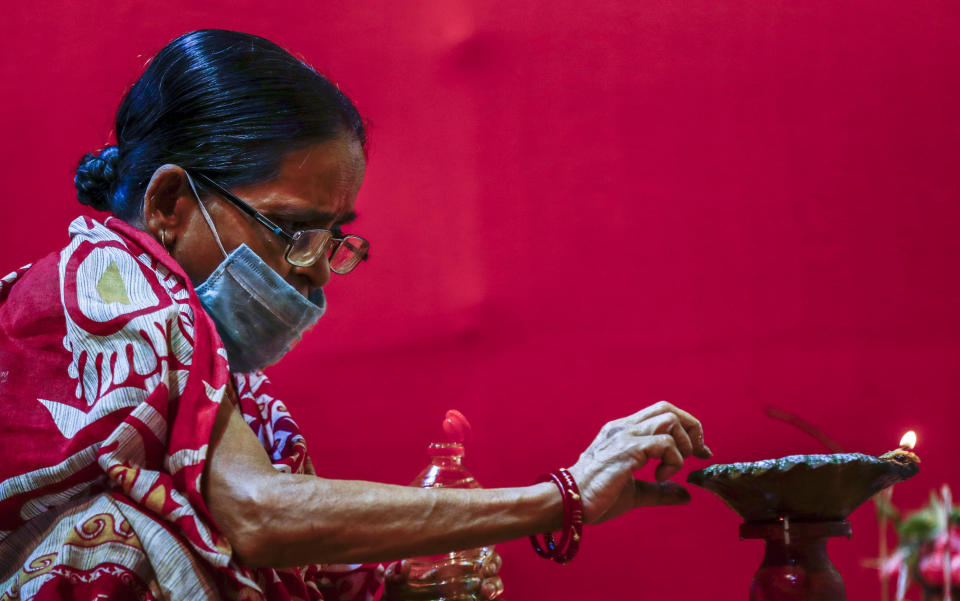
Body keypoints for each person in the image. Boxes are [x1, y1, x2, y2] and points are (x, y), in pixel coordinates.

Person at [0, 30, 711, 601]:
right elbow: (256, 513)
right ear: (168, 206)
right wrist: (562, 497)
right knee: (118, 538)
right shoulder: (98, 289)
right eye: (291, 229)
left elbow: (259, 524)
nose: (312, 266)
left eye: (333, 236)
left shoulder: (208, 364)